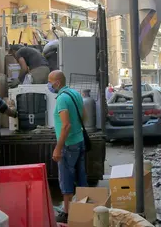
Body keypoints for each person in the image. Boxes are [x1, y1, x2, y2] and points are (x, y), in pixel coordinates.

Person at [47, 70, 88, 223]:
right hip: (80, 140)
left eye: (50, 81)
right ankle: (85, 210)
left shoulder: (62, 99)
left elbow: (66, 125)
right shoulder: (74, 93)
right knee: (81, 177)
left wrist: (58, 148)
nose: (49, 85)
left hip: (68, 144)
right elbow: (84, 115)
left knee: (66, 179)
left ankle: (67, 213)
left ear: (57, 82)